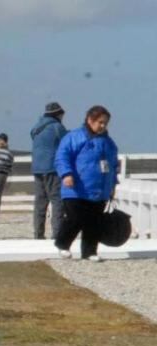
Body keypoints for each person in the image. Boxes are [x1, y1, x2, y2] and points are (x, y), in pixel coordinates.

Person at [54, 105, 118, 262]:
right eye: (100, 122)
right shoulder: (73, 137)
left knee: (94, 222)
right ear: (90, 120)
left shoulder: (109, 143)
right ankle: (63, 244)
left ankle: (89, 251)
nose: (103, 126)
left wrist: (112, 185)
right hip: (75, 189)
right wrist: (66, 174)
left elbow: (113, 166)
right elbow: (62, 157)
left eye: (105, 123)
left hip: (99, 190)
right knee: (75, 218)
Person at [30, 101, 68, 239]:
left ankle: (38, 234)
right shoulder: (57, 127)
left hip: (37, 169)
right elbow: (67, 145)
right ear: (58, 114)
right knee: (57, 201)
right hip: (53, 169)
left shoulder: (36, 128)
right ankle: (57, 234)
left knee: (40, 203)